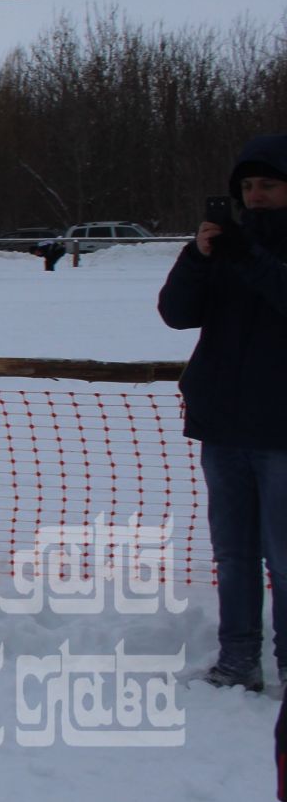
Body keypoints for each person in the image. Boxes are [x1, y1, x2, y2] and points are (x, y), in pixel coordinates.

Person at [157, 133, 287, 692]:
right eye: (248, 187)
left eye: (269, 185)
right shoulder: (225, 248)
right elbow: (176, 313)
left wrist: (248, 257)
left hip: (281, 432)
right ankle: (237, 659)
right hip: (223, 427)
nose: (256, 196)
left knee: (284, 560)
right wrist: (197, 256)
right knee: (234, 555)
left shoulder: (256, 254)